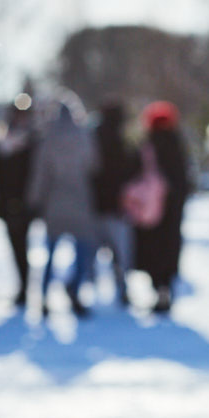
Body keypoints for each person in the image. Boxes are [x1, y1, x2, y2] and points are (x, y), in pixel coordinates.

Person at [27, 97, 98, 317]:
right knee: (81, 251)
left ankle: (44, 297)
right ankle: (75, 291)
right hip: (80, 201)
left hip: (55, 203)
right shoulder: (84, 136)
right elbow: (94, 165)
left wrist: (34, 200)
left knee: (50, 253)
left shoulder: (48, 139)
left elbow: (40, 174)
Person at [134, 101, 191, 314]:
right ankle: (166, 286)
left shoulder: (148, 144)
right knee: (170, 247)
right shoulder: (177, 144)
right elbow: (184, 179)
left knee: (153, 248)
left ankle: (158, 287)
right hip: (173, 208)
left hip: (152, 209)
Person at [0, 97, 36, 306]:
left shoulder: (34, 141)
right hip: (7, 203)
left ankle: (27, 286)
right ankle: (23, 286)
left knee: (24, 245)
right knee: (16, 245)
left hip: (27, 203)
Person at [91, 98, 138, 307]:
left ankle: (83, 288)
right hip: (118, 207)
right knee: (120, 254)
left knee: (91, 253)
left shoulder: (93, 138)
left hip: (96, 206)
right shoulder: (123, 141)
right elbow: (133, 169)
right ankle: (122, 287)